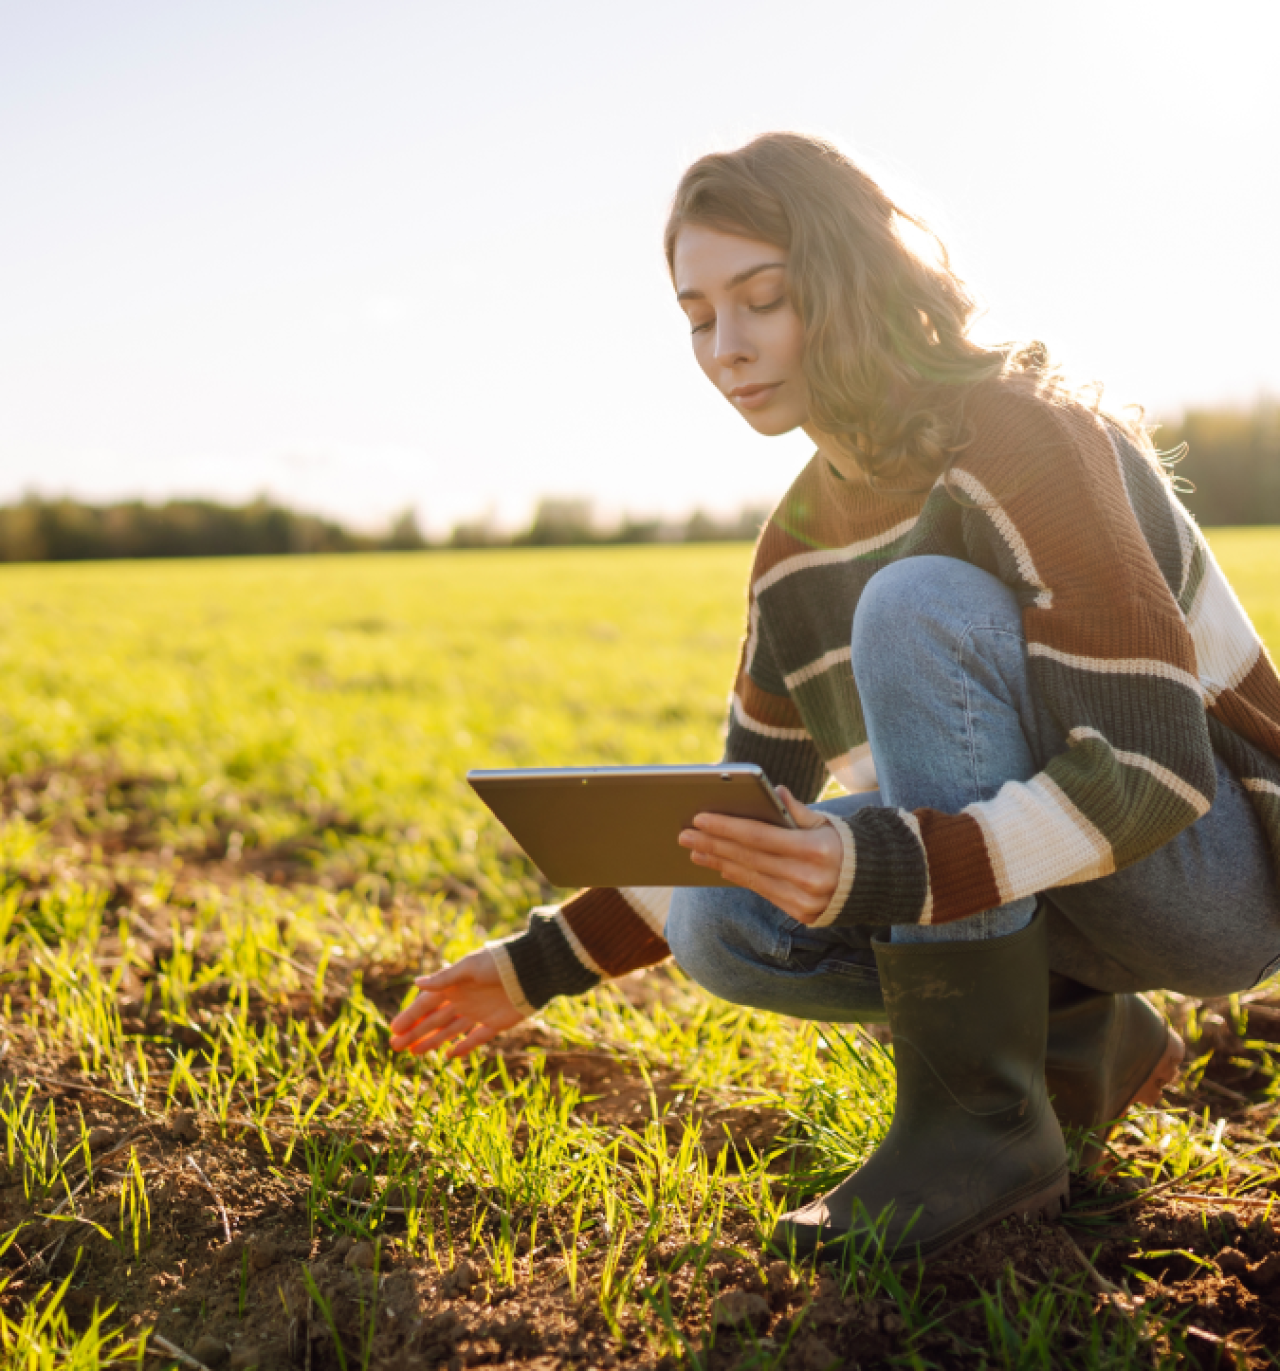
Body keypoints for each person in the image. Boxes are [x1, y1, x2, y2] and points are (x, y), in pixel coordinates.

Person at [390, 132, 1280, 1261]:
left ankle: (975, 1133)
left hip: (1218, 876)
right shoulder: (792, 548)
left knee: (915, 605)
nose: (725, 346)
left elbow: (1155, 771)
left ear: (847, 278)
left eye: (761, 299)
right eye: (698, 315)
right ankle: (1071, 1042)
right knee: (724, 921)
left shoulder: (1022, 432)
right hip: (1065, 891)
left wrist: (893, 866)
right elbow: (736, 822)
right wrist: (534, 967)